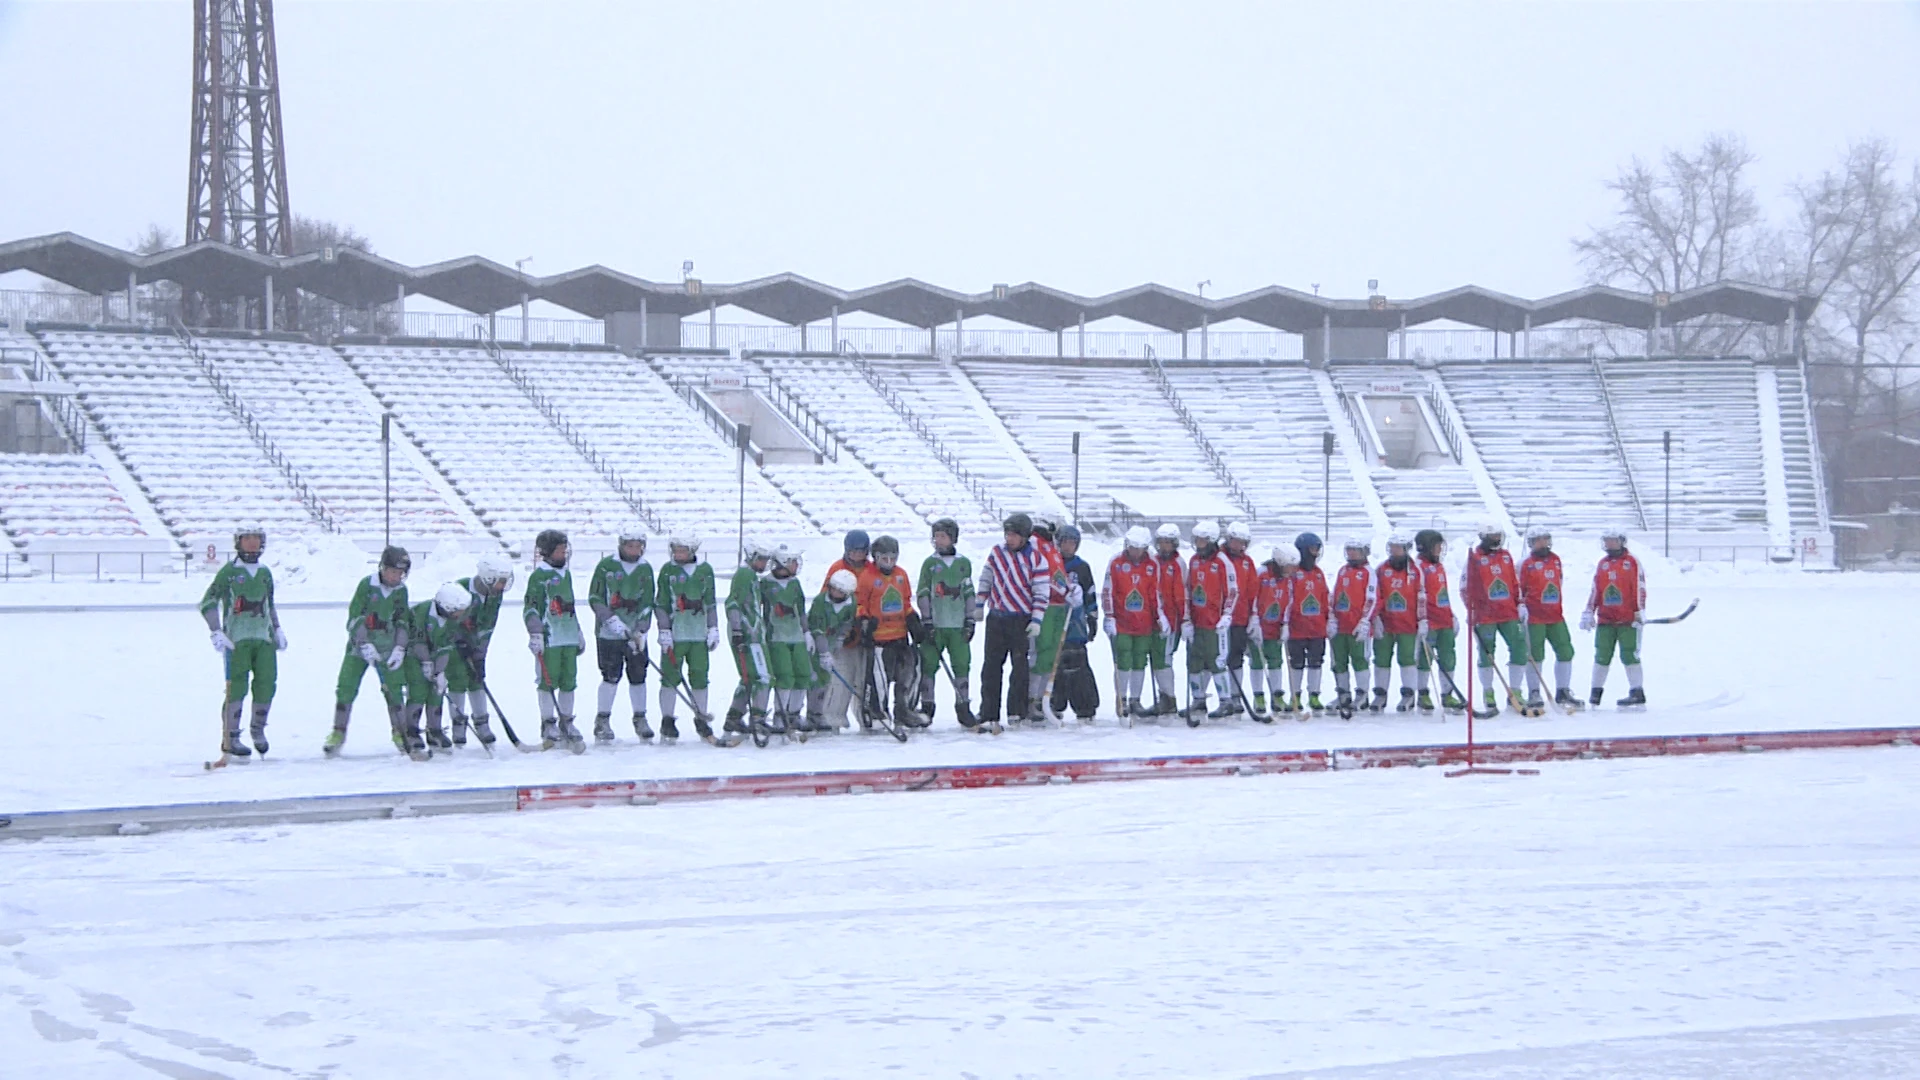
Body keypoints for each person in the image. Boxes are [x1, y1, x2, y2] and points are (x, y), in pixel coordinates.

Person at [199, 524, 286, 759]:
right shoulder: (229, 572)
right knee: (237, 687)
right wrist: (216, 630)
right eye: (247, 539)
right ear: (238, 542)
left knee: (267, 684)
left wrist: (277, 628)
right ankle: (231, 737)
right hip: (237, 641)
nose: (252, 544)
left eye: (256, 539)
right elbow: (208, 601)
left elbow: (269, 604)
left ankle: (258, 729)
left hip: (264, 639)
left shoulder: (265, 573)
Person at [325, 545, 411, 757]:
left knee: (394, 689)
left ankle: (400, 732)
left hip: (388, 648)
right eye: (392, 572)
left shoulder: (401, 591)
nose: (396, 577)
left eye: (400, 573)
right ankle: (338, 731)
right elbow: (354, 617)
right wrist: (364, 643)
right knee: (346, 686)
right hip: (359, 648)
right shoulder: (367, 586)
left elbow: (403, 620)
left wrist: (400, 647)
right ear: (382, 568)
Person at [976, 512, 1048, 728]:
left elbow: (1041, 592)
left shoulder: (1036, 559)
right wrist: (980, 603)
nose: (1009, 539)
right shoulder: (997, 553)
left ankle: (1017, 711)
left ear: (1025, 537)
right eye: (1007, 534)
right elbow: (986, 577)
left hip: (1020, 619)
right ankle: (989, 712)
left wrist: (1036, 620)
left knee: (1019, 667)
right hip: (997, 618)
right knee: (991, 667)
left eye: (1014, 535)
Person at [588, 525, 655, 742]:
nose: (634, 550)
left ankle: (640, 717)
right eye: (630, 546)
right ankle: (602, 719)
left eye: (638, 546)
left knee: (638, 675)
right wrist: (610, 619)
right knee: (610, 676)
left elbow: (647, 602)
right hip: (608, 635)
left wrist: (641, 630)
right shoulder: (606, 566)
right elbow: (595, 597)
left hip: (634, 635)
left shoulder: (645, 569)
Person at [655, 533, 720, 741]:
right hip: (675, 635)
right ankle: (667, 721)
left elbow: (710, 602)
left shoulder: (705, 570)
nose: (678, 554)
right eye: (675, 549)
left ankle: (701, 719)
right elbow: (661, 603)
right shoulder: (668, 570)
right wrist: (664, 630)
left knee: (700, 676)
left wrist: (713, 628)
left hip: (698, 635)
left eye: (682, 550)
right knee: (669, 677)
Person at [525, 528, 585, 752]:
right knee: (548, 680)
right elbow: (531, 608)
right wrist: (536, 633)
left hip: (568, 637)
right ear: (548, 552)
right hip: (551, 638)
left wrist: (577, 631)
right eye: (560, 550)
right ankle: (548, 722)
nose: (564, 553)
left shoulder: (566, 574)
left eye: (565, 549)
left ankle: (566, 720)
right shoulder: (539, 576)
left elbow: (570, 605)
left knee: (570, 680)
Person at [445, 554, 513, 749]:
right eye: (500, 581)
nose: (502, 586)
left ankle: (482, 722)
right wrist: (461, 642)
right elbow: (450, 619)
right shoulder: (461, 589)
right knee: (457, 680)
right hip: (454, 645)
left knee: (477, 679)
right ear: (487, 578)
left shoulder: (495, 595)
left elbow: (488, 624)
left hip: (476, 645)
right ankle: (458, 725)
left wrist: (480, 652)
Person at [400, 582, 474, 759]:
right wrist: (425, 662)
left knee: (437, 692)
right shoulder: (421, 613)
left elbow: (446, 646)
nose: (462, 614)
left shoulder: (452, 621)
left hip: (434, 656)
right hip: (413, 657)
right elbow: (417, 641)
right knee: (418, 692)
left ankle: (434, 730)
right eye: (459, 610)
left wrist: (439, 671)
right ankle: (411, 731)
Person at [916, 518, 976, 727]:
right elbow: (923, 592)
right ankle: (927, 707)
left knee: (961, 664)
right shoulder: (930, 564)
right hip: (936, 625)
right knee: (928, 664)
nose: (938, 540)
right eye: (936, 536)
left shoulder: (963, 563)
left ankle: (963, 705)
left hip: (957, 625)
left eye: (943, 536)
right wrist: (927, 620)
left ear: (953, 538)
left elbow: (969, 592)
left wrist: (970, 620)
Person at [858, 535, 923, 727]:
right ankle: (878, 712)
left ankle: (905, 710)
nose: (888, 563)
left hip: (900, 635)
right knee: (880, 678)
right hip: (879, 638)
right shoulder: (867, 577)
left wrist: (913, 619)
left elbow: (905, 602)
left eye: (892, 558)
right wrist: (864, 622)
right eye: (883, 558)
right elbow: (860, 603)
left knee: (911, 673)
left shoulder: (901, 575)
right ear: (875, 557)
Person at [1465, 523, 1528, 716]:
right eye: (1492, 536)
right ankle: (1488, 692)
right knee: (1486, 654)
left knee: (1519, 648)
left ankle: (1515, 691)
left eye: (1498, 536)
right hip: (1485, 616)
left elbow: (1513, 583)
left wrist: (1519, 604)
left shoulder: (1506, 556)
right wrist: (1472, 610)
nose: (1496, 539)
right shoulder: (1474, 558)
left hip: (1508, 613)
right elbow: (1465, 587)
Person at [1582, 525, 1648, 708]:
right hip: (1606, 620)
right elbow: (1596, 589)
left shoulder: (1632, 562)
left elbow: (1639, 587)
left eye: (1613, 540)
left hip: (1628, 620)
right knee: (1601, 655)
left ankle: (1637, 692)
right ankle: (1595, 693)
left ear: (1621, 541)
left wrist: (1639, 611)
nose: (1609, 544)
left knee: (1630, 655)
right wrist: (1589, 611)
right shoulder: (1602, 563)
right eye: (1606, 540)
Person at [1102, 526, 1163, 720]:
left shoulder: (1152, 564)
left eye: (1140, 548)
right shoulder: (1116, 562)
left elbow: (1155, 593)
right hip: (1122, 622)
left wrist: (1159, 617)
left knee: (1139, 661)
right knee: (1124, 660)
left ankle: (1136, 700)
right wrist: (1109, 616)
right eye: (1132, 547)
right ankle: (1122, 699)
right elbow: (1107, 591)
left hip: (1144, 622)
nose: (1135, 552)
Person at [1519, 526, 1579, 710]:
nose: (1543, 543)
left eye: (1545, 539)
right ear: (1531, 543)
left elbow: (1558, 583)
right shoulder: (1524, 564)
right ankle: (1534, 691)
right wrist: (1521, 606)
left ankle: (1563, 690)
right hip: (1534, 617)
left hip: (1555, 616)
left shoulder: (1556, 560)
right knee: (1535, 655)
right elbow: (1518, 588)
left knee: (1566, 651)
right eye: (1538, 540)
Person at [1186, 520, 1240, 721]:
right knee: (1195, 662)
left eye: (1202, 540)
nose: (1198, 544)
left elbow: (1233, 591)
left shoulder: (1222, 562)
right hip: (1197, 622)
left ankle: (1226, 700)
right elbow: (1188, 591)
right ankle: (1198, 699)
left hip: (1215, 623)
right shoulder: (1193, 561)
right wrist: (1186, 620)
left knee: (1217, 661)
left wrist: (1227, 615)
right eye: (1197, 540)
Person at [825, 530, 879, 722]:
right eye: (853, 551)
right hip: (844, 633)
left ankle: (865, 716)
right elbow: (827, 599)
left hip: (866, 632)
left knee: (863, 679)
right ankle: (832, 717)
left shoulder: (872, 570)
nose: (857, 555)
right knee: (841, 676)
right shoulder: (837, 569)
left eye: (861, 551)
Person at [760, 545, 814, 735]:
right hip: (777, 637)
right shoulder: (765, 584)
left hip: (796, 636)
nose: (795, 565)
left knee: (803, 674)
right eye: (792, 562)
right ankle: (779, 715)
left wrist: (806, 633)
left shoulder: (794, 584)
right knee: (785, 676)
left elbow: (801, 610)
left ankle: (794, 714)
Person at [723, 540, 775, 740]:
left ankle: (734, 717)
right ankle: (758, 718)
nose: (764, 563)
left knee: (749, 678)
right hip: (748, 632)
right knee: (763, 677)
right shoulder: (745, 575)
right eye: (761, 559)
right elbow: (733, 603)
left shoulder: (751, 575)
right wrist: (738, 630)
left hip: (753, 631)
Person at [1048, 524, 1100, 722]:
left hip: (1075, 624)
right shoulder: (1051, 563)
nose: (1069, 547)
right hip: (1054, 621)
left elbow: (1090, 594)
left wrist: (1092, 617)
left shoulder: (1081, 566)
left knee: (1078, 664)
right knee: (1055, 664)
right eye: (1065, 542)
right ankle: (1054, 703)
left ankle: (1085, 706)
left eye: (1073, 543)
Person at [1414, 528, 1465, 714]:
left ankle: (1447, 694)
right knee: (1425, 658)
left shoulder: (1439, 566)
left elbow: (1442, 593)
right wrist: (1421, 620)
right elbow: (1417, 595)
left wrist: (1451, 615)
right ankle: (1423, 693)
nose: (1439, 550)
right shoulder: (1417, 567)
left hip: (1444, 620)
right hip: (1429, 620)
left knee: (1448, 657)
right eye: (1436, 546)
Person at [1371, 533, 1423, 713]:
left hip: (1407, 624)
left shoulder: (1416, 571)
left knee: (1407, 658)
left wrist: (1422, 619)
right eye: (1392, 547)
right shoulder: (1381, 569)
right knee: (1381, 658)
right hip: (1385, 625)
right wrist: (1375, 617)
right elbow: (1375, 595)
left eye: (1398, 548)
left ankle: (1409, 694)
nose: (1394, 551)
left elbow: (1422, 596)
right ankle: (1380, 694)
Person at [1027, 513, 1070, 721]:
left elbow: (1057, 574)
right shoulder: (1035, 544)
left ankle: (1043, 698)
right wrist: (1059, 589)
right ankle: (1032, 699)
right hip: (1044, 606)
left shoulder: (1050, 547)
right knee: (1039, 653)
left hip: (1057, 607)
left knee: (1050, 655)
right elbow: (1037, 575)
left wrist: (1069, 588)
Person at [1329, 537, 1377, 719]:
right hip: (1340, 626)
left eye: (1355, 550)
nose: (1351, 553)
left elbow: (1371, 598)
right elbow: (1335, 595)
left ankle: (1362, 695)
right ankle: (1343, 694)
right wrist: (1332, 617)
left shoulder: (1368, 572)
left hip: (1357, 625)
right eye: (1349, 549)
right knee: (1338, 661)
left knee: (1360, 659)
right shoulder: (1342, 570)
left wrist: (1365, 621)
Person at [1284, 533, 1331, 715]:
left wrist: (1329, 620)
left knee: (1316, 662)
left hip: (1317, 628)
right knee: (1296, 663)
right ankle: (1295, 696)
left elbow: (1324, 597)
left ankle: (1314, 695)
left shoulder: (1318, 574)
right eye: (1313, 549)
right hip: (1296, 629)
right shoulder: (1293, 573)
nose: (1316, 553)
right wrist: (1285, 623)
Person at [810, 568, 862, 730]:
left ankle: (819, 713)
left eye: (839, 591)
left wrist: (840, 639)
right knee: (814, 678)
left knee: (826, 680)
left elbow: (847, 623)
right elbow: (816, 627)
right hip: (814, 644)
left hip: (832, 643)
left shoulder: (850, 603)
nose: (834, 592)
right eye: (833, 588)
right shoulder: (820, 601)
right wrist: (823, 652)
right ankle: (810, 714)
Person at [1221, 521, 1262, 718]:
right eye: (1236, 542)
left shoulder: (1247, 562)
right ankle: (1223, 696)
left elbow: (1252, 591)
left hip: (1240, 618)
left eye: (1243, 542)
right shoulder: (1218, 558)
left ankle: (1236, 696)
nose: (1240, 546)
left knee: (1236, 657)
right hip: (1219, 618)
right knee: (1219, 658)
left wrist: (1253, 616)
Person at [1147, 523, 1186, 717]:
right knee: (1156, 659)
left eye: (1168, 543)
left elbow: (1181, 594)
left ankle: (1169, 698)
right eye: (1161, 543)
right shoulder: (1152, 562)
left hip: (1171, 621)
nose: (1164, 547)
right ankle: (1163, 696)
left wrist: (1185, 620)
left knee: (1164, 659)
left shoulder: (1178, 564)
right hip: (1153, 619)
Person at [1252, 542, 1295, 720]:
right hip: (1258, 627)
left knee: (1276, 662)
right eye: (1288, 566)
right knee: (1257, 662)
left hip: (1275, 628)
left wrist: (1285, 625)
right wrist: (1253, 620)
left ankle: (1277, 696)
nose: (1291, 570)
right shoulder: (1261, 573)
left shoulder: (1287, 579)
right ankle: (1258, 697)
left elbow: (1288, 602)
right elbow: (1252, 596)